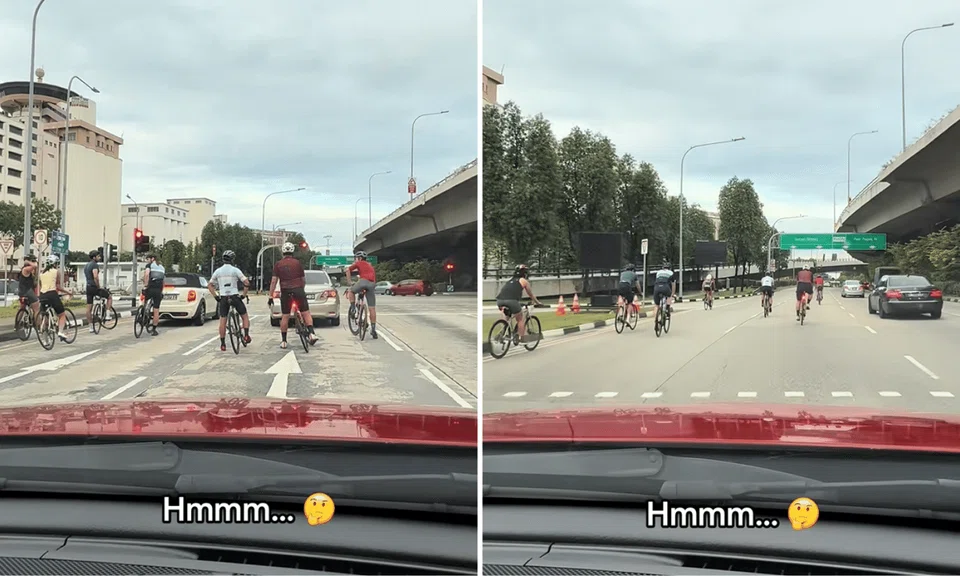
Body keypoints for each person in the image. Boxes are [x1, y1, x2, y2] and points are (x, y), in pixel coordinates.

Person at [267, 242, 318, 349]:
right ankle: (312, 333)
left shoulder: (278, 264)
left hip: (285, 291)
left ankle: (284, 341)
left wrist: (270, 296)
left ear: (283, 252)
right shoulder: (297, 263)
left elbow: (273, 281)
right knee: (305, 312)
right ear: (292, 252)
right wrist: (301, 289)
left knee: (285, 316)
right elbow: (303, 279)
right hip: (298, 290)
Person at [208, 250, 252, 352]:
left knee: (223, 321)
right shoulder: (235, 270)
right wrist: (244, 295)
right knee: (244, 316)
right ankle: (246, 335)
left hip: (223, 297)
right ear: (232, 259)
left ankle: (223, 344)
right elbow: (246, 282)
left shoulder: (218, 271)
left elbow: (209, 285)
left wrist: (216, 296)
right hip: (234, 296)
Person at [495, 264, 542, 342]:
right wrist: (538, 302)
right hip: (512, 301)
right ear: (524, 273)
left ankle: (504, 331)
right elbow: (531, 295)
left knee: (507, 315)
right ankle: (522, 339)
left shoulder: (510, 280)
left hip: (499, 300)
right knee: (520, 319)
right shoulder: (524, 281)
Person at [38, 255, 73, 341]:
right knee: (62, 315)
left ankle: (45, 341)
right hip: (52, 294)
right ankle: (60, 332)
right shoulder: (56, 272)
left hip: (42, 295)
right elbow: (58, 287)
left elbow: (41, 286)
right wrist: (68, 292)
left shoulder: (41, 273)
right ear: (55, 264)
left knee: (45, 316)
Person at [345, 250, 379, 339]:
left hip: (363, 282)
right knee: (372, 308)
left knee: (351, 291)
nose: (356, 260)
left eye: (356, 258)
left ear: (359, 258)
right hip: (372, 284)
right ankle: (373, 329)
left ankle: (353, 309)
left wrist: (349, 282)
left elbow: (348, 269)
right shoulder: (370, 266)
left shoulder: (359, 263)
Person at [84, 249, 113, 333]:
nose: (99, 258)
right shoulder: (94, 265)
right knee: (109, 297)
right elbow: (95, 276)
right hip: (94, 287)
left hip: (88, 287)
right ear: (94, 257)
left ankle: (90, 327)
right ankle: (107, 315)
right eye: (98, 256)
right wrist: (98, 287)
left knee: (89, 307)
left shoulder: (86, 266)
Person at [141, 253, 165, 335]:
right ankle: (154, 329)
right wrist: (161, 291)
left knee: (144, 299)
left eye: (148, 259)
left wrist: (145, 285)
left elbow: (147, 274)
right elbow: (163, 281)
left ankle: (143, 315)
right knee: (156, 310)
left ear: (152, 259)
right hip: (158, 290)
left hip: (151, 288)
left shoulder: (149, 265)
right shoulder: (162, 267)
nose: (147, 261)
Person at [652, 259, 675, 328]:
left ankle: (655, 320)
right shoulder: (671, 273)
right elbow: (673, 284)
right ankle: (667, 308)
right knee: (669, 296)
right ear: (669, 268)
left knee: (657, 305)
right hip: (665, 287)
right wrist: (672, 294)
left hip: (657, 288)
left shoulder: (658, 272)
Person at [17, 254, 40, 324]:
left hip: (21, 292)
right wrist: (28, 261)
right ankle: (38, 326)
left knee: (22, 308)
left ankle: (17, 324)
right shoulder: (26, 269)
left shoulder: (23, 270)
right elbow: (35, 266)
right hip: (27, 291)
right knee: (36, 308)